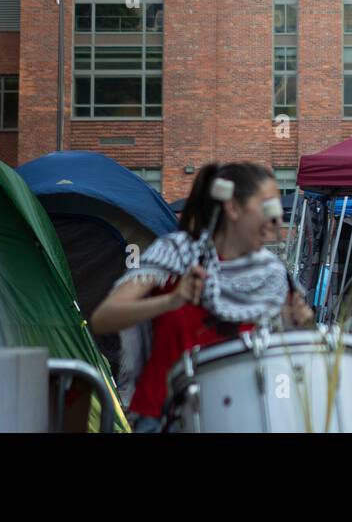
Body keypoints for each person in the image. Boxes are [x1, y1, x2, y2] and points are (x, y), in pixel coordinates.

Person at [90, 162, 291, 432]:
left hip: (241, 417)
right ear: (233, 208)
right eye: (267, 206)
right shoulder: (177, 252)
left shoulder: (270, 272)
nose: (275, 217)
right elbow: (104, 318)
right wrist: (170, 301)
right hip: (164, 417)